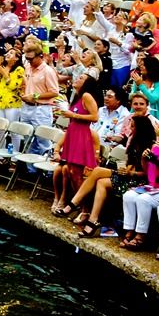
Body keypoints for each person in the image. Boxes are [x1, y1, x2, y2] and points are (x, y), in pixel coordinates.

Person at [50, 70, 100, 215]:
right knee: (71, 172)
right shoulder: (77, 96)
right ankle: (78, 206)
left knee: (77, 174)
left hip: (81, 135)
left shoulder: (86, 96)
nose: (77, 79)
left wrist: (72, 115)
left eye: (81, 78)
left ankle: (84, 209)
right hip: (73, 133)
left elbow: (95, 117)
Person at [20, 38, 59, 153]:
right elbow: (25, 84)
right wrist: (23, 93)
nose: (29, 61)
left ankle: (46, 169)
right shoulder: (27, 67)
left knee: (43, 140)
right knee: (27, 137)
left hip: (41, 109)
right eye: (26, 58)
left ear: (39, 56)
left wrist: (35, 96)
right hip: (26, 107)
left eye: (31, 59)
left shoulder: (48, 71)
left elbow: (54, 92)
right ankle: (30, 169)